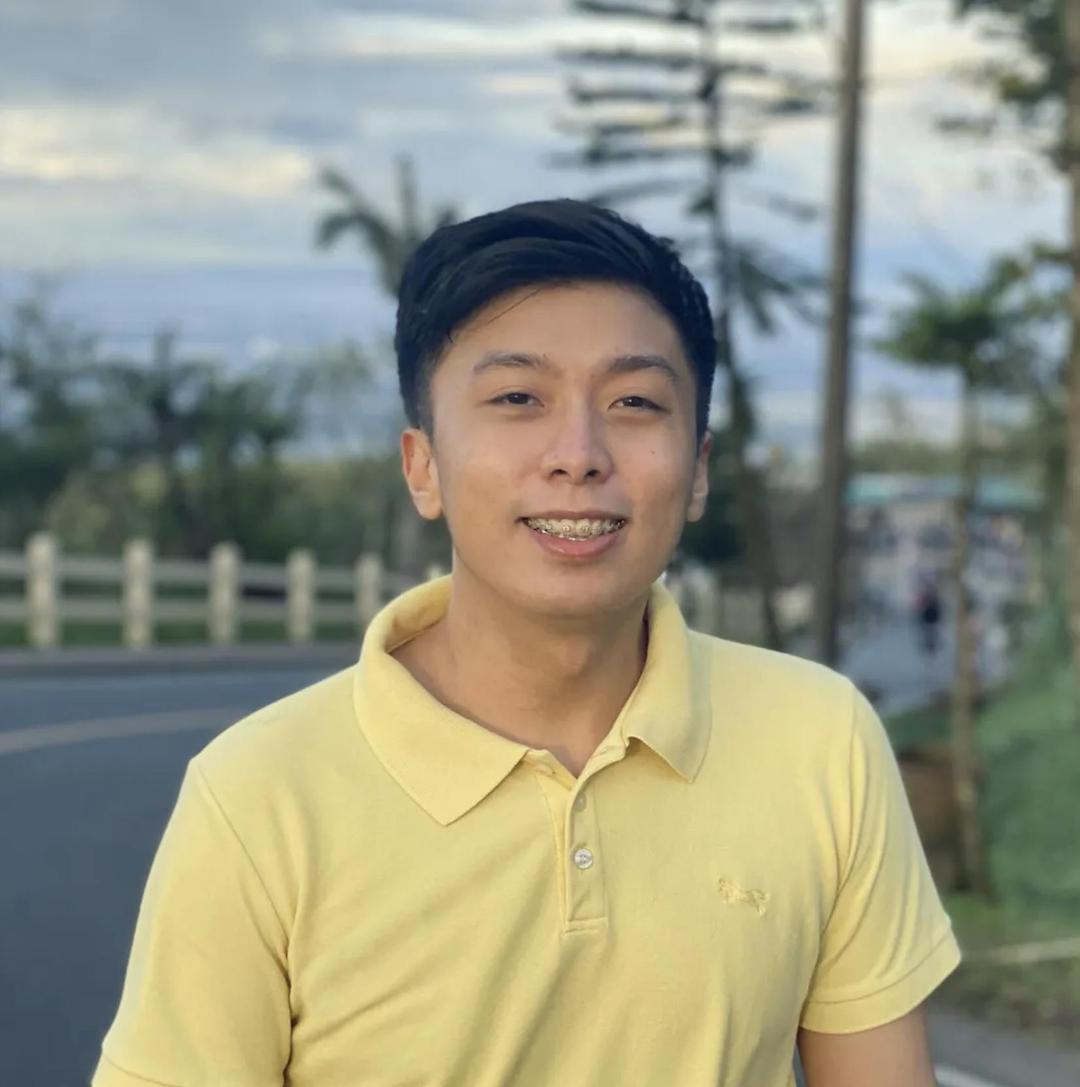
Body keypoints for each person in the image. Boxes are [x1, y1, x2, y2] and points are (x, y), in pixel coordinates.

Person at [92, 199, 960, 1087]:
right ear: (422, 464)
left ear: (697, 468)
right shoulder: (258, 796)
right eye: (517, 398)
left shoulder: (821, 738)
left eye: (633, 401)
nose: (577, 453)